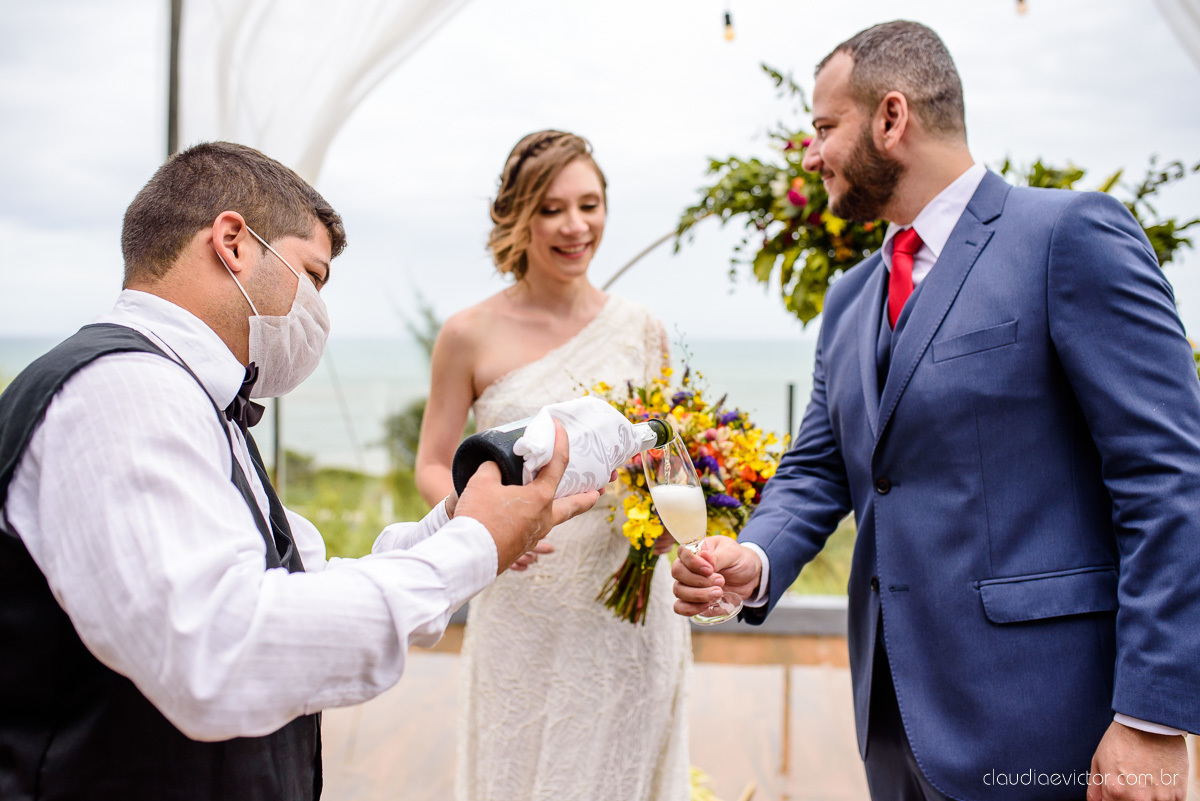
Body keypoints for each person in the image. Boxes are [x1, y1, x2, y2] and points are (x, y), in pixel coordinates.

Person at [672, 20, 1198, 801]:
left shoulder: (1067, 237)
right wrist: (757, 559)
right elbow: (820, 467)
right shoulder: (850, 299)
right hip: (892, 727)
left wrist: (1153, 718)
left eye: (823, 128)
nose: (811, 154)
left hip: (1050, 727)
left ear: (891, 118)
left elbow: (1169, 478)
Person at [0, 141, 599, 801]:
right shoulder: (123, 392)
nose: (318, 309)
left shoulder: (191, 398)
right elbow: (221, 648)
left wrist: (463, 519)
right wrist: (475, 544)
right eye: (313, 275)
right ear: (234, 242)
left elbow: (301, 585)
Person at [415, 130, 691, 801]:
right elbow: (432, 464)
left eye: (590, 205)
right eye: (552, 209)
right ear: (519, 216)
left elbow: (666, 460)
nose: (576, 226)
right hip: (521, 596)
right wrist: (481, 526)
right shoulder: (467, 334)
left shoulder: (644, 329)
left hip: (624, 603)